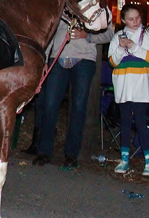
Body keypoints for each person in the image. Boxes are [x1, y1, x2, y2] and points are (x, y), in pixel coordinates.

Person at [33, 16, 114, 167]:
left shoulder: (96, 5)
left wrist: (88, 36)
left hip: (84, 59)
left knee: (78, 107)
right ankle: (43, 151)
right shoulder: (61, 4)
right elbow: (49, 32)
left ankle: (71, 154)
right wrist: (44, 59)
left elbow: (109, 33)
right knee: (50, 105)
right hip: (58, 58)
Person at [108, 4, 149, 176]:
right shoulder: (117, 37)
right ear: (123, 20)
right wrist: (123, 48)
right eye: (130, 19)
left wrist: (135, 47)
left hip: (140, 85)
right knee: (124, 121)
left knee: (140, 121)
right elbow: (112, 62)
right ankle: (124, 160)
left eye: (137, 17)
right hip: (123, 85)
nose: (135, 21)